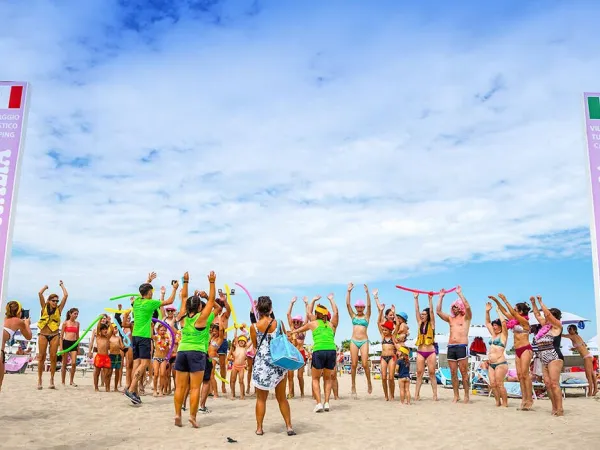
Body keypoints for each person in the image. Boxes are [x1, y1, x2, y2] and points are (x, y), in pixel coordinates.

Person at [124, 272, 179, 405]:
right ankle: (131, 389)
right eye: (151, 291)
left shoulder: (136, 301)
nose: (152, 293)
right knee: (144, 364)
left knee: (137, 364)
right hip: (143, 337)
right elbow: (170, 301)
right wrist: (175, 289)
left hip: (135, 336)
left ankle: (134, 393)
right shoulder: (150, 303)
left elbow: (141, 292)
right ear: (148, 293)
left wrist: (148, 280)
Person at [173, 271, 216, 428]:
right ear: (199, 306)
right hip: (197, 353)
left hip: (182, 351)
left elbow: (184, 297)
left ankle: (178, 415)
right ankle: (192, 417)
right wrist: (212, 282)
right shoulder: (201, 318)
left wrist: (185, 281)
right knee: (195, 387)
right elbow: (211, 300)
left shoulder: (182, 317)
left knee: (180, 387)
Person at [250, 295, 295, 436]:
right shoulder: (279, 323)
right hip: (278, 363)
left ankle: (259, 428)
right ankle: (289, 426)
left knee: (261, 399)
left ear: (257, 309)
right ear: (270, 309)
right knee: (281, 397)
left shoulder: (254, 327)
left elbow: (256, 345)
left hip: (262, 365)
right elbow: (284, 340)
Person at [292, 293, 339, 412]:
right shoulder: (332, 324)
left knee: (315, 379)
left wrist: (312, 300)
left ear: (317, 314)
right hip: (331, 351)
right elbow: (336, 312)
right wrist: (331, 300)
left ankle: (319, 404)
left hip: (319, 351)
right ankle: (327, 402)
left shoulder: (312, 324)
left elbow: (308, 313)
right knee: (328, 378)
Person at [490, 294, 533, 410]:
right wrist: (497, 301)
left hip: (525, 348)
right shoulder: (515, 320)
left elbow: (512, 314)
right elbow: (505, 312)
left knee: (525, 374)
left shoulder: (524, 321)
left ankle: (529, 399)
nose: (514, 311)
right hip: (517, 350)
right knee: (520, 376)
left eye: (515, 309)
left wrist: (504, 299)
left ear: (521, 311)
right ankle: (524, 400)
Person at [436, 286, 471, 403]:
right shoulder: (451, 319)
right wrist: (441, 297)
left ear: (460, 307)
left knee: (464, 372)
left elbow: (468, 306)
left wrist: (460, 294)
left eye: (456, 306)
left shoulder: (466, 318)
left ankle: (466, 395)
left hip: (462, 346)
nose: (454, 309)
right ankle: (456, 395)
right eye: (453, 307)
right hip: (451, 347)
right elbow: (438, 312)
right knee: (452, 372)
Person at [531, 296, 564, 416]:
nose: (546, 316)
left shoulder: (557, 326)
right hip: (542, 356)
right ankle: (554, 407)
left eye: (549, 315)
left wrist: (540, 302)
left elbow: (548, 315)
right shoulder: (545, 325)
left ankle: (560, 408)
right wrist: (533, 303)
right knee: (548, 384)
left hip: (554, 355)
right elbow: (537, 315)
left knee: (554, 383)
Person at [37, 281, 68, 390]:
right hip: (43, 334)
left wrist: (61, 285)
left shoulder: (59, 309)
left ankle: (51, 379)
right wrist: (45, 287)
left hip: (54, 334)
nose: (55, 302)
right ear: (49, 301)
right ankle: (40, 379)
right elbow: (40, 294)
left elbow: (66, 296)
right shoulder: (44, 307)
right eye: (53, 300)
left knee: (53, 357)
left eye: (56, 301)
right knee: (41, 357)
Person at [346, 283, 373, 396]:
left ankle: (369, 382)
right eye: (358, 307)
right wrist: (349, 291)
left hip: (364, 341)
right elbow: (347, 304)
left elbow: (370, 306)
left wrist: (367, 293)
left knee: (365, 364)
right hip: (353, 340)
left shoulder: (366, 316)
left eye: (362, 307)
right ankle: (353, 385)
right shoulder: (354, 316)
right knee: (353, 364)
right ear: (356, 307)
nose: (360, 308)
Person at [1, 301, 33, 392]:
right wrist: (27, 323)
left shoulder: (3, 319)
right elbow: (29, 336)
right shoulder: (18, 321)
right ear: (19, 311)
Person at [413, 292, 437, 401]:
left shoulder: (432, 324)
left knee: (432, 372)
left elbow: (432, 311)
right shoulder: (419, 323)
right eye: (421, 314)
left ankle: (435, 395)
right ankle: (416, 394)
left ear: (427, 315)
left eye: (424, 314)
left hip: (430, 351)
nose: (422, 316)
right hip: (420, 351)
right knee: (419, 373)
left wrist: (430, 300)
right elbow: (416, 311)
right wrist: (416, 298)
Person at [374, 291, 397, 401]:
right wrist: (381, 310)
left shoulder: (393, 336)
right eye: (383, 329)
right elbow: (378, 322)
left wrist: (394, 312)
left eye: (385, 329)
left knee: (391, 378)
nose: (384, 331)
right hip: (383, 357)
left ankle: (392, 395)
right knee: (383, 377)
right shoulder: (382, 336)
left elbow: (396, 325)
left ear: (389, 330)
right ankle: (386, 396)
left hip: (392, 357)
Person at [484, 302, 508, 407]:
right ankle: (497, 402)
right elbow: (487, 322)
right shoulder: (493, 335)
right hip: (491, 364)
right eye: (493, 326)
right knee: (493, 384)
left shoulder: (503, 335)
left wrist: (498, 312)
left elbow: (503, 323)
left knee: (499, 384)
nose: (493, 327)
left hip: (500, 363)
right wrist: (487, 311)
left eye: (495, 325)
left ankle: (505, 403)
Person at [562, 324, 597, 396]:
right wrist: (575, 348)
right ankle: (595, 389)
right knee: (592, 374)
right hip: (589, 355)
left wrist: (556, 328)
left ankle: (590, 391)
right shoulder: (578, 336)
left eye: (570, 329)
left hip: (586, 357)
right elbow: (584, 345)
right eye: (568, 329)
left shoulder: (571, 336)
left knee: (588, 376)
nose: (569, 330)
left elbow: (562, 335)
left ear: (574, 330)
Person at [286, 296, 308, 398]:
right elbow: (288, 314)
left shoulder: (303, 329)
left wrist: (306, 304)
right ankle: (291, 393)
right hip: (292, 354)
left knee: (300, 376)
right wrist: (291, 303)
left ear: (301, 322)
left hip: (301, 353)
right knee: (290, 376)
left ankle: (302, 393)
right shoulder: (291, 328)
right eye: (294, 321)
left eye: (297, 322)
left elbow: (308, 315)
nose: (295, 323)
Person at [60, 307, 80, 387]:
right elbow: (61, 336)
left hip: (74, 343)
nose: (76, 315)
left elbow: (78, 335)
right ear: (70, 314)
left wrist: (78, 346)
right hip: (66, 342)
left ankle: (71, 381)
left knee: (74, 363)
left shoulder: (77, 324)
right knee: (64, 363)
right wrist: (61, 347)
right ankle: (63, 381)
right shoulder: (65, 323)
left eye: (77, 314)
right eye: (75, 313)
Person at [152, 324, 171, 397]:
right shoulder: (156, 338)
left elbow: (170, 348)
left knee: (163, 374)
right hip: (156, 358)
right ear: (158, 331)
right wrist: (151, 327)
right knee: (156, 374)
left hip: (164, 359)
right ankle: (154, 390)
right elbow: (151, 335)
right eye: (161, 330)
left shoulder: (167, 339)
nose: (163, 332)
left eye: (164, 330)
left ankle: (160, 390)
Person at [93, 323, 112, 392]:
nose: (105, 330)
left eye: (106, 329)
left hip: (106, 357)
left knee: (107, 374)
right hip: (99, 357)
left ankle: (107, 388)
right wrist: (100, 319)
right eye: (103, 329)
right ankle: (96, 387)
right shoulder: (98, 337)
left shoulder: (108, 337)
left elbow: (112, 329)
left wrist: (109, 322)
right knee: (97, 373)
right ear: (100, 331)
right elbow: (98, 327)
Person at [229, 332, 248, 400]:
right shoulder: (236, 346)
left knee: (241, 381)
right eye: (240, 341)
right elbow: (235, 336)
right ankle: (232, 394)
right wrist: (236, 329)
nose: (241, 342)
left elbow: (251, 341)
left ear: (245, 342)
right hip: (235, 366)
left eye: (243, 341)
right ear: (238, 342)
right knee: (233, 380)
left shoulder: (245, 348)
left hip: (241, 367)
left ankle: (242, 395)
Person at [107, 325, 125, 392]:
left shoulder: (119, 337)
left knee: (117, 372)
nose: (116, 330)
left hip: (118, 355)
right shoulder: (109, 338)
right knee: (110, 372)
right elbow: (107, 347)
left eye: (117, 329)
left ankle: (115, 387)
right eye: (115, 328)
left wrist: (124, 344)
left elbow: (122, 347)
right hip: (111, 355)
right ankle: (108, 387)